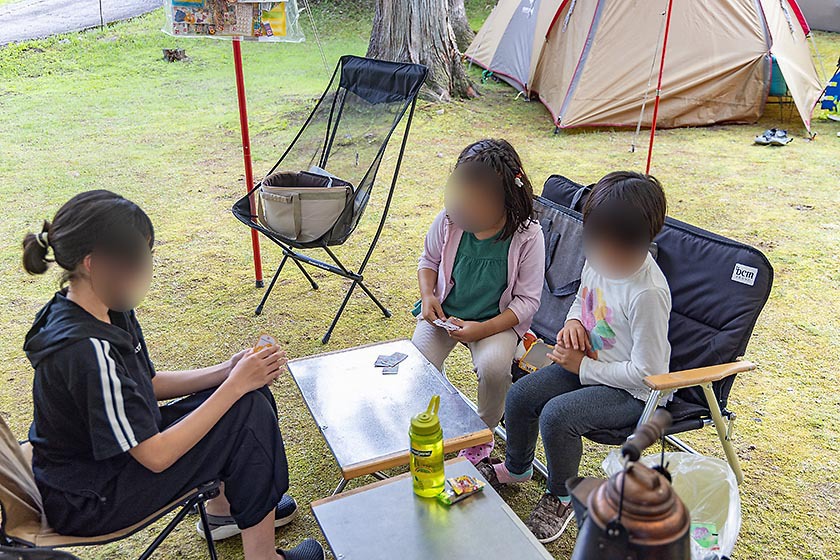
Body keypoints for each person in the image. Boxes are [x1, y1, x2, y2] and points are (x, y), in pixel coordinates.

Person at [22, 190, 323, 560]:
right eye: (138, 260)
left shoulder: (102, 305)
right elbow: (156, 456)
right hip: (89, 496)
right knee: (247, 411)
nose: (145, 270)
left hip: (110, 460)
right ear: (94, 264)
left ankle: (223, 514)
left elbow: (147, 385)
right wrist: (234, 384)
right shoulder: (85, 350)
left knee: (250, 396)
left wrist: (228, 371)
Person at [477, 172, 671, 544]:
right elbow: (583, 298)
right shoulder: (597, 257)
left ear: (645, 241)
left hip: (632, 393)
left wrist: (583, 366)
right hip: (587, 364)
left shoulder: (647, 293)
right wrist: (573, 324)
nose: (603, 257)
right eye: (597, 244)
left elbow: (650, 373)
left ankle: (561, 497)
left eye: (616, 250)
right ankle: (516, 470)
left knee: (558, 415)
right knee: (520, 396)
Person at [412, 139, 545, 464]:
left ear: (506, 200)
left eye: (477, 202)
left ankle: (482, 432)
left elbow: (527, 302)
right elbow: (427, 261)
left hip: (495, 322)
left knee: (494, 368)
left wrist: (481, 329)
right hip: (446, 314)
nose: (465, 209)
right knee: (418, 362)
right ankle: (432, 424)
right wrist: (429, 296)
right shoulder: (448, 220)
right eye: (463, 197)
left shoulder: (528, 236)